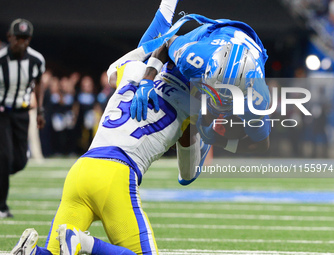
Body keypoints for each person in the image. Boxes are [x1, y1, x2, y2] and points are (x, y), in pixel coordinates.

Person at [10, 1, 208, 254]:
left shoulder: (132, 70)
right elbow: (187, 175)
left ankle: (31, 251)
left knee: (53, 252)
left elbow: (139, 52)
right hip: (116, 175)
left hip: (81, 171)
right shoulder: (191, 106)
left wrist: (164, 23)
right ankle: (84, 242)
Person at [130, 14, 271, 153]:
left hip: (246, 49)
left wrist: (217, 141)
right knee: (142, 69)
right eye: (216, 96)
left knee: (235, 129)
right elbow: (167, 41)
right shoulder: (195, 58)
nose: (219, 106)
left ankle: (197, 132)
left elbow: (261, 145)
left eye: (228, 102)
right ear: (207, 72)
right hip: (212, 34)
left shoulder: (258, 101)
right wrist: (147, 81)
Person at [0, 18, 45, 218]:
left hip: (22, 113)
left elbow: (39, 82)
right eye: (18, 38)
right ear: (10, 37)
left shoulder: (36, 60)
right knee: (5, 157)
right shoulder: (0, 60)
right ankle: (2, 206)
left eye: (26, 38)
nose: (22, 43)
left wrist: (40, 111)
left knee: (19, 162)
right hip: (2, 113)